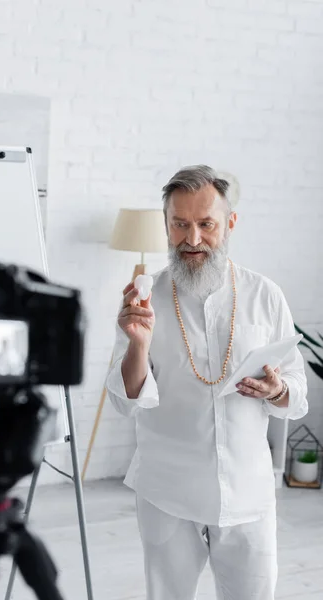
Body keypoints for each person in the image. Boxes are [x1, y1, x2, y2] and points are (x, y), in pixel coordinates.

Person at [106, 165, 308, 600]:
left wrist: (277, 390)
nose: (192, 239)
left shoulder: (265, 295)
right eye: (179, 224)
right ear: (166, 224)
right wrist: (137, 346)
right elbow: (126, 402)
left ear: (230, 223)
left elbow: (297, 386)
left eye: (205, 224)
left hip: (247, 492)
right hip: (167, 490)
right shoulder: (144, 299)